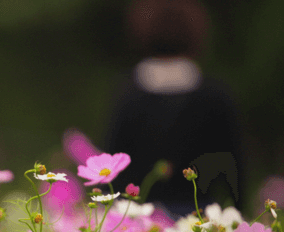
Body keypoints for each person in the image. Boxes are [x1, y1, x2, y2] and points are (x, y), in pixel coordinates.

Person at [105, 0, 245, 218]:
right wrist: (236, 218)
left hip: (138, 221)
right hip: (201, 219)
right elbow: (234, 170)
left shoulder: (128, 96)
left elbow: (111, 168)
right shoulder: (216, 97)